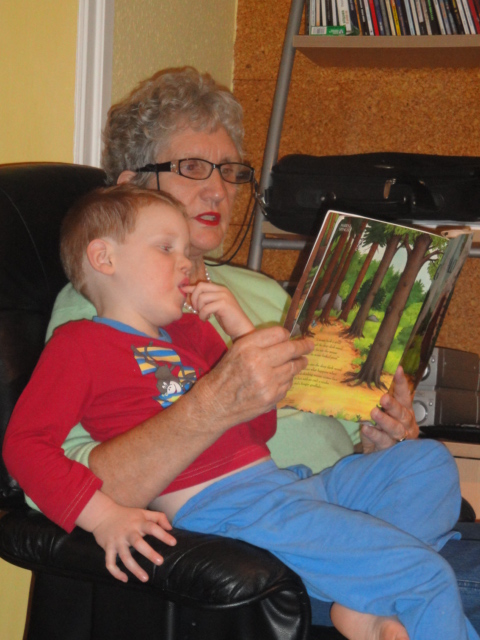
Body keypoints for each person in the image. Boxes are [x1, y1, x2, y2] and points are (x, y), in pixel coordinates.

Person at [38, 67, 480, 632]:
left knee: (427, 462)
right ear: (131, 186)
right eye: (192, 167)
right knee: (434, 577)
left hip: (330, 496)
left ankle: (368, 603)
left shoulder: (260, 291)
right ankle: (378, 589)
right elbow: (70, 478)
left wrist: (377, 436)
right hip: (255, 535)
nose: (218, 190)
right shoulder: (95, 315)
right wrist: (215, 402)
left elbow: (306, 423)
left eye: (230, 171)